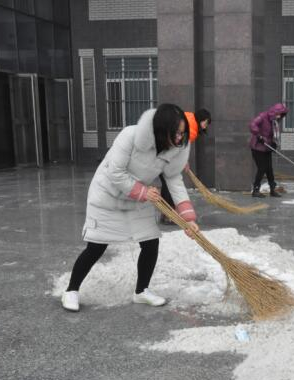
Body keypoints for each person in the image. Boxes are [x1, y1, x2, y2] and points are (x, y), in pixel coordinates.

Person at [60, 104, 200, 312]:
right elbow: (115, 172)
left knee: (150, 243)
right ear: (163, 129)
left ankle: (141, 291)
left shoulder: (175, 149)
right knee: (97, 246)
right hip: (108, 195)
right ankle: (71, 290)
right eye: (177, 133)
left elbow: (174, 179)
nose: (180, 139)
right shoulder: (131, 136)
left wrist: (188, 218)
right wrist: (143, 192)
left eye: (182, 134)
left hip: (138, 197)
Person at [160, 108, 211, 209]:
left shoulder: (188, 118)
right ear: (201, 119)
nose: (206, 125)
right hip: (165, 155)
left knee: (167, 182)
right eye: (206, 122)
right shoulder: (191, 130)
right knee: (170, 183)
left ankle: (167, 212)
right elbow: (178, 147)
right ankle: (168, 212)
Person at [249, 103, 288, 198]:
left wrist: (274, 144)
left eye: (281, 115)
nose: (280, 116)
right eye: (279, 114)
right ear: (274, 112)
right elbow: (252, 124)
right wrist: (258, 135)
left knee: (269, 170)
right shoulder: (263, 116)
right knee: (262, 168)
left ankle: (272, 190)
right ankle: (256, 190)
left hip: (267, 148)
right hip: (257, 147)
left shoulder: (274, 121)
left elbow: (272, 135)